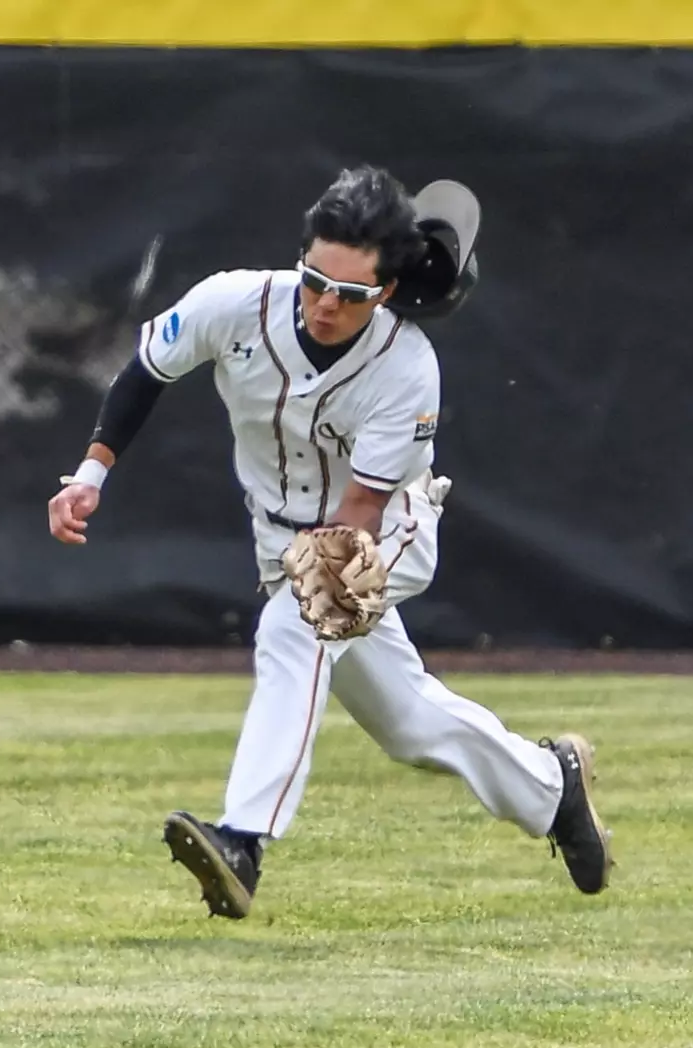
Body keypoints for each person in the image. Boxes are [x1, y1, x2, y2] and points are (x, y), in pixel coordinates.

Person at [47, 165, 613, 919]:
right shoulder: (235, 302)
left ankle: (244, 842)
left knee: (297, 624)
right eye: (315, 280)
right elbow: (147, 371)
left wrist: (307, 577)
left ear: (385, 292)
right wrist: (92, 473)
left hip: (391, 529)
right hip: (276, 535)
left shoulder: (407, 366)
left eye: (349, 294)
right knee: (409, 723)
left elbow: (358, 516)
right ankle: (553, 788)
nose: (323, 304)